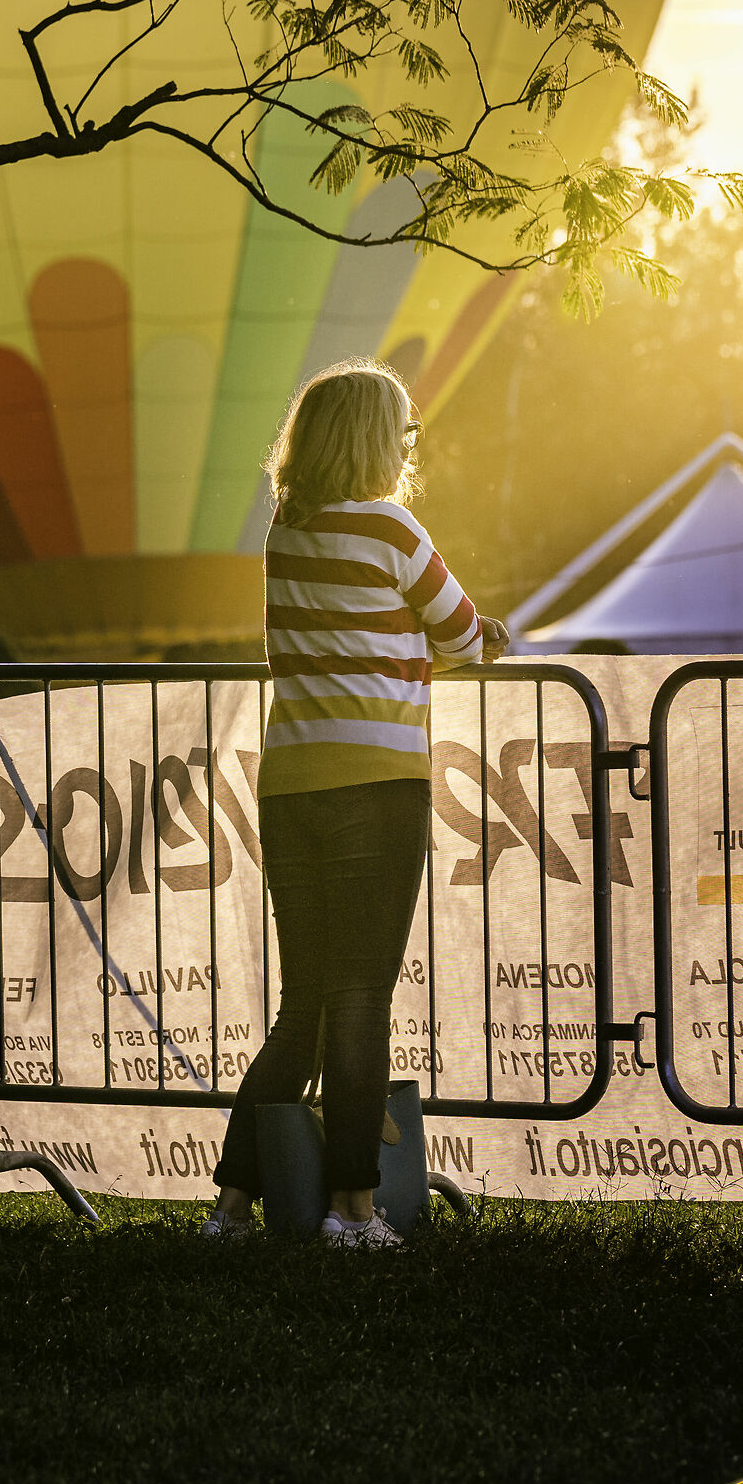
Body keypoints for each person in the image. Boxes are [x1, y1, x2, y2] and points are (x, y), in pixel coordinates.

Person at [202, 359, 507, 1249]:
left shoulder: (285, 536)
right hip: (378, 782)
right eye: (407, 433)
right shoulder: (395, 531)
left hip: (292, 779)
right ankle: (355, 1209)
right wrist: (458, 640)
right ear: (380, 441)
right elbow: (460, 633)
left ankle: (231, 1205)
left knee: (304, 1003)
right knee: (363, 994)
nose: (412, 449)